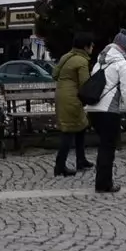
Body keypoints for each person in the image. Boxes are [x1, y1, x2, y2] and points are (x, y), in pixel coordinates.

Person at [84, 29, 126, 194]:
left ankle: (103, 181)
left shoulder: (100, 62)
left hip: (92, 109)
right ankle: (104, 184)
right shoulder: (123, 64)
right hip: (109, 111)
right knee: (107, 148)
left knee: (104, 146)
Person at [52, 32, 94, 176]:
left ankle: (81, 160)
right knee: (68, 132)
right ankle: (60, 166)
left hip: (62, 96)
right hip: (72, 98)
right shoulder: (81, 61)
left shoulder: (66, 56)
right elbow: (85, 83)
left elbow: (54, 74)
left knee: (81, 127)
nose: (93, 47)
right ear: (85, 46)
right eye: (91, 45)